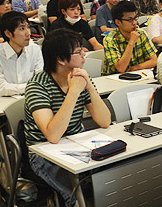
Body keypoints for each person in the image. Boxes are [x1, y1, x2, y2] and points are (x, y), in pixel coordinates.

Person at [24, 29, 111, 206]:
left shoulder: (80, 77)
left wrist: (90, 88)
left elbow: (104, 121)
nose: (84, 54)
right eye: (78, 51)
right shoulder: (37, 85)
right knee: (76, 196)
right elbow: (53, 136)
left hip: (77, 144)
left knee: (112, 177)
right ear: (61, 60)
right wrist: (73, 92)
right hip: (44, 153)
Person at [0, 12, 43, 96]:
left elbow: (41, 80)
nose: (28, 33)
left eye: (28, 27)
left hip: (30, 99)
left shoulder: (35, 50)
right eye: (22, 29)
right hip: (0, 103)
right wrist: (33, 87)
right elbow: (1, 88)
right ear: (8, 33)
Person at [103, 0, 158, 75]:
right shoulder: (110, 40)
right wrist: (131, 42)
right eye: (130, 20)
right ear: (118, 22)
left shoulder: (141, 34)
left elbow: (154, 60)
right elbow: (121, 68)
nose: (134, 23)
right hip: (114, 79)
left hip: (138, 76)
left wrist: (137, 67)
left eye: (135, 18)